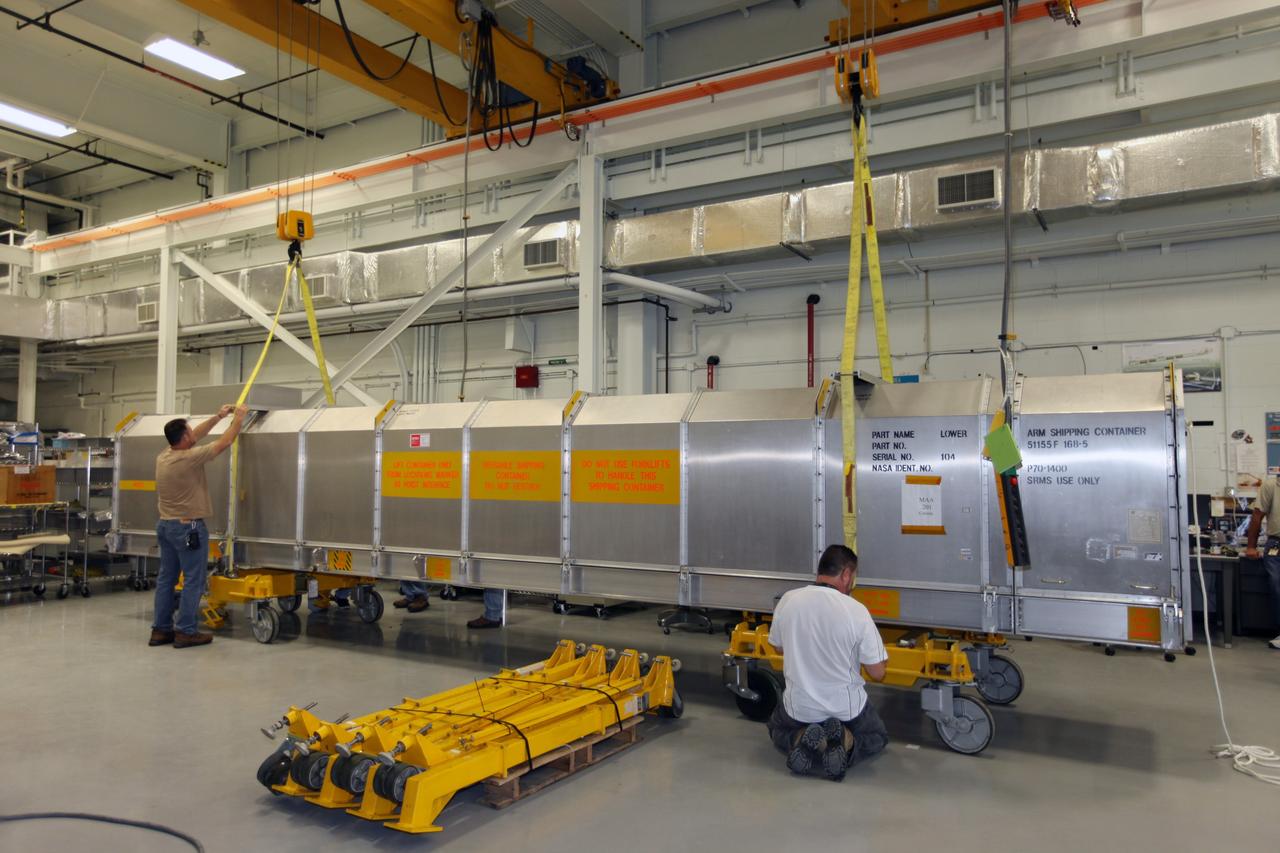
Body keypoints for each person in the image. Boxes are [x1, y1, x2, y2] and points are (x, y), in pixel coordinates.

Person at [766, 544, 889, 780]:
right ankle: (845, 741)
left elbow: (778, 646)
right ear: (845, 574)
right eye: (853, 577)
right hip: (847, 709)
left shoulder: (789, 600)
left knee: (776, 728)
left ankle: (800, 739)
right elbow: (877, 673)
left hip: (800, 707)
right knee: (877, 737)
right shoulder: (856, 610)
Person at [149, 404, 248, 648]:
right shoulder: (189, 459)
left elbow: (197, 436)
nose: (194, 433)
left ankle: (160, 630)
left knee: (166, 579)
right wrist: (239, 420)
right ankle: (186, 631)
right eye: (190, 431)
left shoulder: (165, 456)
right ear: (184, 438)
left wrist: (218, 416)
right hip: (188, 529)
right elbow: (224, 443)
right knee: (194, 579)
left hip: (166, 525)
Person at [1244, 477, 1280, 649]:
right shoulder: (1271, 485)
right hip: (1276, 544)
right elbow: (1257, 516)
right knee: (1277, 585)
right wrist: (1251, 546)